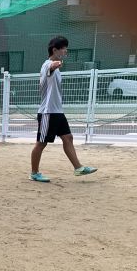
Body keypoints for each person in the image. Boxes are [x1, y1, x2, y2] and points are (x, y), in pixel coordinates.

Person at [30, 36, 97, 182]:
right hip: (48, 112)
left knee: (68, 137)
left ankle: (78, 168)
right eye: (64, 48)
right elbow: (50, 67)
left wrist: (56, 65)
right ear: (55, 50)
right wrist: (55, 64)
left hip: (57, 111)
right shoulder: (47, 65)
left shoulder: (55, 66)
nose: (66, 51)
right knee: (41, 143)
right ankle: (34, 173)